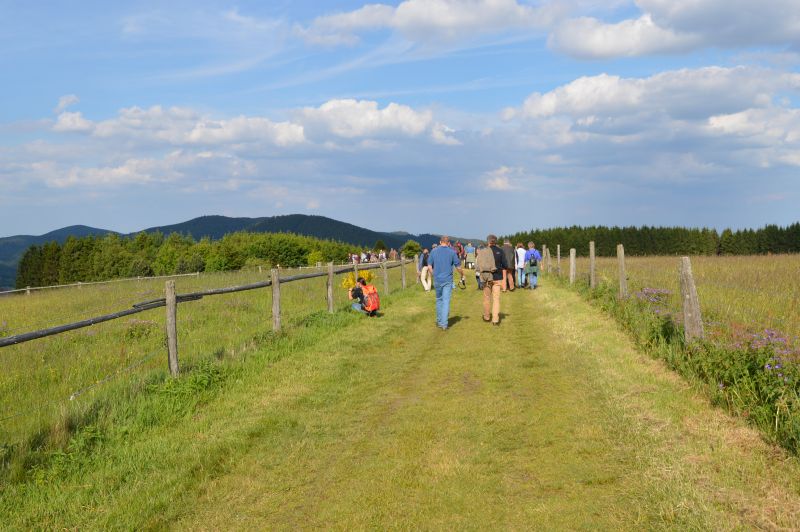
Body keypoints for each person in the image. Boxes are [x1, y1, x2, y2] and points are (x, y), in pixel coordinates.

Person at [427, 236, 465, 330]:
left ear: (440, 242)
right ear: (448, 243)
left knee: (439, 300)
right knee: (446, 301)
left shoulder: (434, 251)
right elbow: (458, 267)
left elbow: (429, 266)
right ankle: (444, 324)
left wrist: (433, 274)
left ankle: (440, 321)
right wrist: (462, 274)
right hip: (447, 280)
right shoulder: (452, 252)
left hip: (437, 280)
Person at [479, 234, 508, 325]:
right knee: (496, 299)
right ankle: (495, 319)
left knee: (487, 298)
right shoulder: (500, 251)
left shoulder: (483, 251)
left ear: (488, 241)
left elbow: (478, 265)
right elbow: (505, 265)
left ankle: (487, 316)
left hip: (486, 277)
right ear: (496, 241)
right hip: (497, 277)